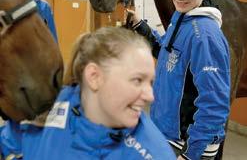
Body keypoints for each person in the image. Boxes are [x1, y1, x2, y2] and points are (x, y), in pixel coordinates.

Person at [1, 26, 176, 160]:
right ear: (94, 77)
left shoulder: (154, 153)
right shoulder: (43, 111)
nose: (150, 96)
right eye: (137, 80)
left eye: (150, 82)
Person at [126, 0, 230, 160]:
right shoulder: (183, 18)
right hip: (168, 133)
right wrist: (140, 25)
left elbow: (215, 101)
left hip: (187, 143)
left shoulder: (205, 35)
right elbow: (166, 51)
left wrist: (191, 153)